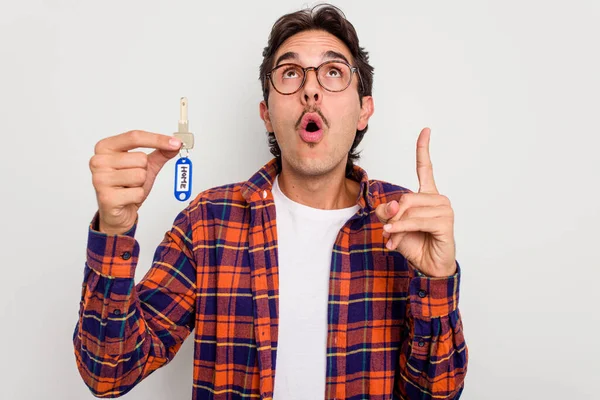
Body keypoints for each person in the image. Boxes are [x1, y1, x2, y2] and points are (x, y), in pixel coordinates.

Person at [73, 4, 468, 399]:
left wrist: (437, 279)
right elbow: (109, 372)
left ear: (364, 110)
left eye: (333, 72)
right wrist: (114, 230)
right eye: (291, 74)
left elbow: (435, 394)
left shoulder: (404, 223)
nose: (310, 89)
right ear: (266, 113)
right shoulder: (207, 223)